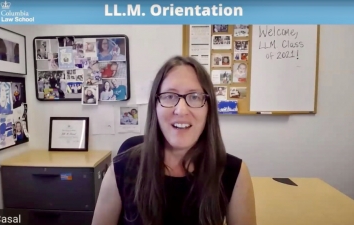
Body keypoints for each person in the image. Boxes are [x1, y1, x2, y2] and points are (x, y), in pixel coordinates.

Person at [91, 56, 256, 225]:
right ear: (155, 106)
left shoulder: (234, 172)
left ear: (209, 108)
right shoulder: (119, 170)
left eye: (194, 96)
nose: (181, 109)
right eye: (169, 96)